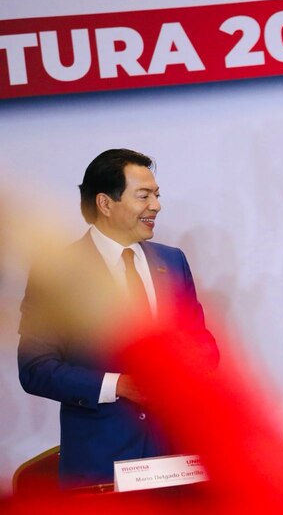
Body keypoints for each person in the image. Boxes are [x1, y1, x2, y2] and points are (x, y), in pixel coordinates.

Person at [17, 149, 219, 487]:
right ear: (105, 203)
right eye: (144, 195)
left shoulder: (173, 262)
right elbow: (35, 369)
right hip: (99, 466)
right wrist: (119, 385)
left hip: (174, 461)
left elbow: (204, 345)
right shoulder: (57, 271)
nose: (156, 205)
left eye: (157, 195)